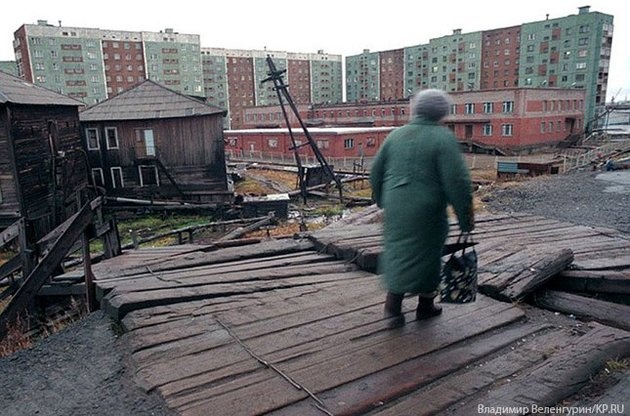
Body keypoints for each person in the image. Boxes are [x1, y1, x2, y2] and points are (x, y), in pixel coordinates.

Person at [369, 89, 475, 328]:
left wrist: (382, 200)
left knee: (397, 251)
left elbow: (375, 172)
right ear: (441, 112)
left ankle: (393, 309)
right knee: (430, 254)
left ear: (416, 109)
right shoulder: (442, 138)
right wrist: (466, 219)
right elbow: (457, 183)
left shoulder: (396, 135)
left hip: (396, 206)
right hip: (428, 211)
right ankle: (425, 305)